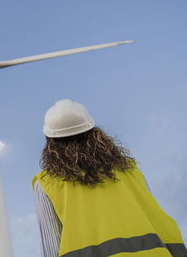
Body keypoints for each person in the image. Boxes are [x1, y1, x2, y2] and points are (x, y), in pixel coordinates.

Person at [33, 99, 187, 257]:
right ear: (95, 133)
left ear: (50, 143)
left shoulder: (46, 184)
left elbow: (51, 247)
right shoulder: (130, 170)